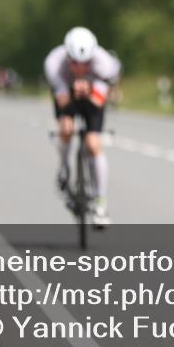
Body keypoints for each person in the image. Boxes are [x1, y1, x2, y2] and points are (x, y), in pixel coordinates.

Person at [44, 27, 122, 227]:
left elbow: (99, 101)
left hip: (93, 97)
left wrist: (88, 90)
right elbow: (61, 101)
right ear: (67, 58)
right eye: (75, 63)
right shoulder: (54, 63)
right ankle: (64, 166)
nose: (79, 68)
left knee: (93, 144)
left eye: (85, 64)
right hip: (67, 96)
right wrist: (72, 92)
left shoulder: (104, 63)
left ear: (92, 58)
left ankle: (100, 205)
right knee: (66, 128)